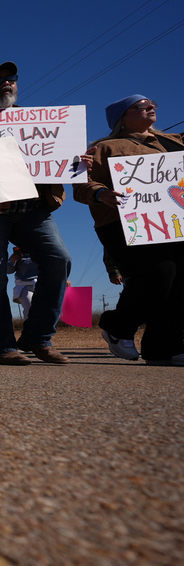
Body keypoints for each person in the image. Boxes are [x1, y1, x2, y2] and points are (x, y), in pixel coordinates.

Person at [0, 62, 72, 366]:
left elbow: (60, 159)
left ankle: (38, 338)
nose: (6, 83)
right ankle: (3, 345)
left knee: (59, 259)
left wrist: (75, 159)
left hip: (33, 210)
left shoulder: (42, 125)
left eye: (11, 79)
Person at [74, 95, 184, 365]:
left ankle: (163, 348)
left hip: (172, 222)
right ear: (122, 118)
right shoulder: (102, 148)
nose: (151, 107)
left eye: (152, 103)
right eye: (140, 105)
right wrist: (101, 194)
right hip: (121, 223)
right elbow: (80, 185)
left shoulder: (174, 142)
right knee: (159, 273)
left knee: (176, 283)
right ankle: (117, 326)